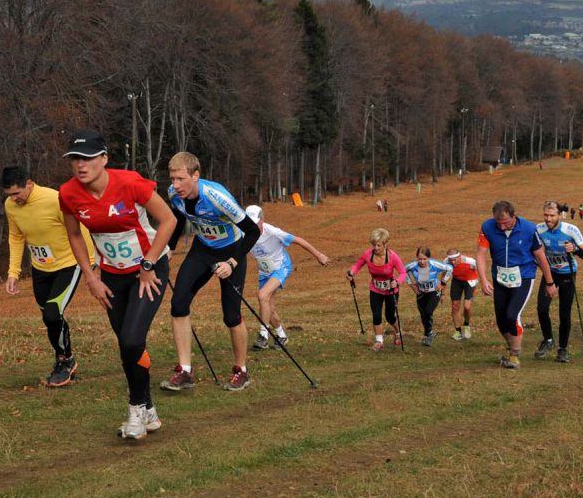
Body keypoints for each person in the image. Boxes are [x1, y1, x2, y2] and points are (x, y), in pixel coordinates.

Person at [58, 130, 178, 439]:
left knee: (131, 340)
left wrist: (149, 263)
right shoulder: (68, 194)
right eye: (75, 159)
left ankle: (136, 409)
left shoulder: (129, 183)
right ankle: (149, 412)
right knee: (129, 345)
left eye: (87, 158)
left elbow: (169, 221)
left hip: (148, 271)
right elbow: (74, 235)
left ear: (104, 159)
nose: (80, 165)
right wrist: (90, 275)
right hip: (111, 276)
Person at [161, 152, 261, 393]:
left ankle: (241, 371)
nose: (175, 185)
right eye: (172, 179)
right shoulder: (174, 194)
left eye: (181, 179)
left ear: (196, 176)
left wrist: (233, 262)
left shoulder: (216, 197)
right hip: (202, 250)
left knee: (231, 315)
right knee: (178, 304)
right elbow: (176, 218)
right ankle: (185, 371)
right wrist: (169, 248)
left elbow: (252, 231)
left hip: (232, 250)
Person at [2, 165, 95, 387]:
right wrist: (13, 273)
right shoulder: (10, 206)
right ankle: (64, 360)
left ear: (30, 184)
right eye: (9, 195)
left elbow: (79, 231)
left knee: (53, 313)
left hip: (68, 264)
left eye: (17, 193)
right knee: (51, 317)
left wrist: (89, 264)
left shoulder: (55, 199)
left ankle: (65, 361)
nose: (14, 199)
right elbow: (16, 237)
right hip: (40, 269)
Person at [476, 200, 554, 370]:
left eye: (505, 223)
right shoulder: (488, 227)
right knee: (502, 321)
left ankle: (515, 355)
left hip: (524, 277)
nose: (502, 227)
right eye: (499, 224)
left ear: (514, 216)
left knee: (512, 315)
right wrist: (483, 280)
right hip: (500, 278)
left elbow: (541, 257)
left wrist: (549, 282)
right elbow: (481, 254)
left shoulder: (528, 229)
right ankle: (513, 346)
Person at [243, 205, 330, 351]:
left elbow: (298, 240)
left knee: (262, 295)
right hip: (264, 271)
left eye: (255, 222)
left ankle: (263, 337)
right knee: (268, 306)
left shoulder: (273, 232)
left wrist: (319, 255)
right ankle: (281, 336)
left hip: (280, 267)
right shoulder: (243, 232)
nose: (252, 225)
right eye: (249, 222)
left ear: (262, 220)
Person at [534, 200, 583, 363]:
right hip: (550, 273)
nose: (548, 219)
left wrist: (575, 249)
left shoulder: (571, 230)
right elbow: (537, 253)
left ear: (560, 215)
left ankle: (563, 349)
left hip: (568, 273)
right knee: (542, 308)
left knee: (564, 313)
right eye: (545, 215)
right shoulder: (538, 229)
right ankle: (548, 340)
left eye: (552, 215)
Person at [347, 228, 407, 351]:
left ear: (385, 244)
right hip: (375, 289)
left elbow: (403, 272)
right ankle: (379, 341)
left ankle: (397, 332)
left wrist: (397, 282)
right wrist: (351, 272)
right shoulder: (368, 255)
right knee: (376, 315)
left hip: (391, 290)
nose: (375, 248)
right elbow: (357, 265)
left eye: (378, 245)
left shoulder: (392, 257)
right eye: (374, 245)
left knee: (390, 316)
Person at [404, 247, 452, 346]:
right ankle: (428, 334)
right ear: (416, 257)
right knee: (423, 314)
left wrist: (442, 283)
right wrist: (411, 285)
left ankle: (429, 334)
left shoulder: (434, 264)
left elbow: (450, 268)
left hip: (434, 291)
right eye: (420, 259)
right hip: (421, 293)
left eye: (424, 259)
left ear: (428, 258)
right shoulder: (412, 266)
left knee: (428, 311)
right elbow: (403, 271)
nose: (422, 261)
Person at [445, 249, 479, 340]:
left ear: (459, 257)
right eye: (451, 260)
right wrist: (442, 291)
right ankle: (458, 331)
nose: (453, 262)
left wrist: (476, 286)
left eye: (455, 260)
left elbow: (480, 269)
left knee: (467, 306)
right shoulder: (446, 262)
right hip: (457, 281)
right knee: (455, 306)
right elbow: (444, 274)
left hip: (470, 281)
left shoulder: (470, 261)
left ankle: (467, 325)